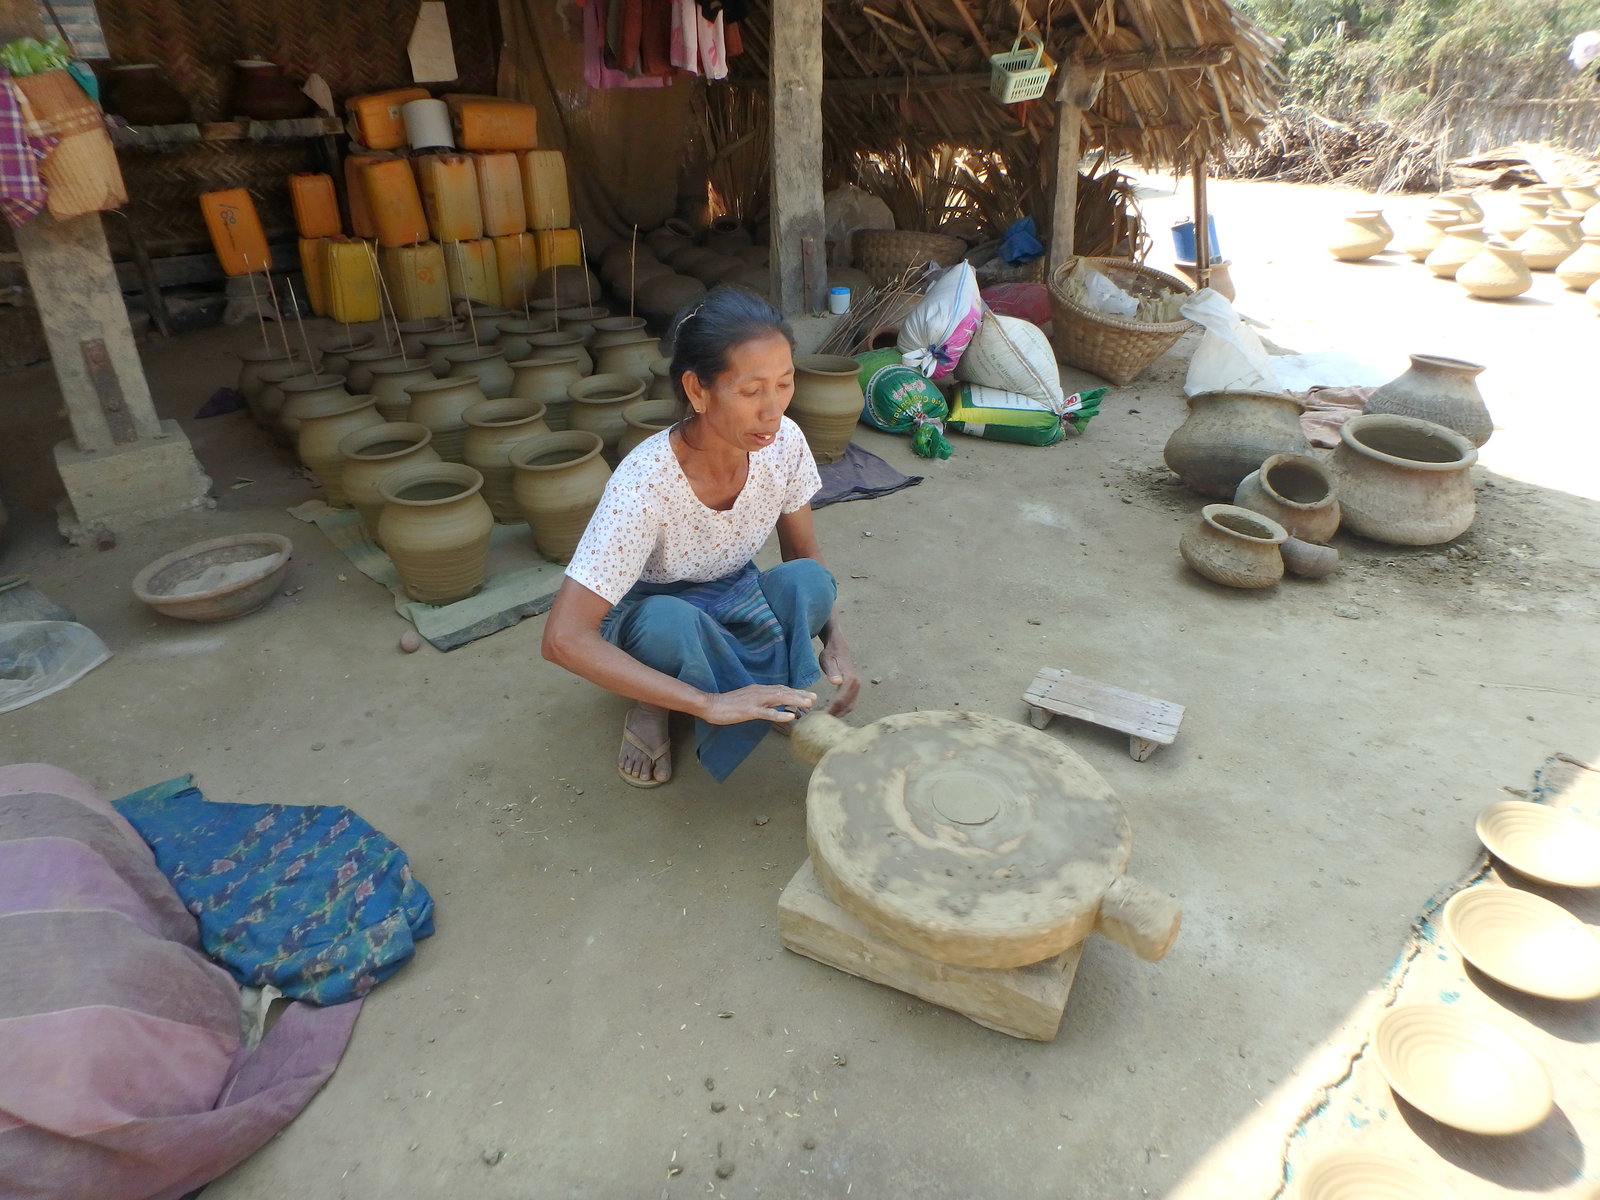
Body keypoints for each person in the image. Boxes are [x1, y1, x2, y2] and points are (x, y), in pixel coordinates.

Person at [542, 285, 859, 788]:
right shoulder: (644, 485)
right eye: (751, 391)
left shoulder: (785, 444)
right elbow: (563, 639)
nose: (773, 411)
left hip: (735, 592)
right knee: (670, 624)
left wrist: (835, 639)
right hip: (652, 612)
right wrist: (707, 703)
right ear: (696, 391)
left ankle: (760, 689)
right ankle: (654, 705)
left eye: (784, 384)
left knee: (810, 580)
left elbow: (804, 553)